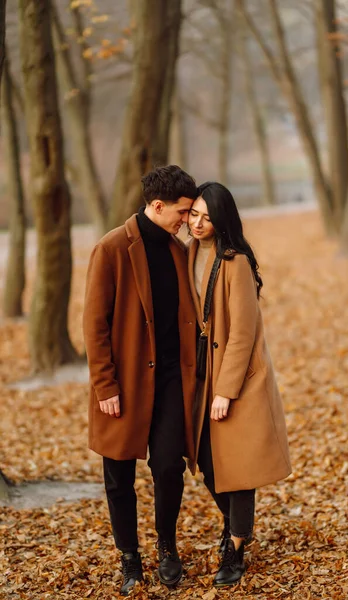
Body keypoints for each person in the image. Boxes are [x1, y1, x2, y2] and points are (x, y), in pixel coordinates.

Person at [83, 165, 198, 595]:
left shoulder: (178, 250)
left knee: (169, 466)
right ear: (157, 206)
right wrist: (105, 387)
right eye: (182, 212)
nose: (186, 220)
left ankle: (166, 547)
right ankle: (129, 558)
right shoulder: (111, 248)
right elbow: (94, 325)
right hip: (124, 381)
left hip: (171, 379)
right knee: (118, 475)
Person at [187, 182, 292, 587]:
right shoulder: (192, 252)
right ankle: (235, 527)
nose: (197, 223)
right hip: (202, 372)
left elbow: (243, 334)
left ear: (222, 219)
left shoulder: (236, 262)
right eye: (193, 214)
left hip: (236, 377)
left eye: (207, 217)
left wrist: (225, 391)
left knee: (238, 465)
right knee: (207, 459)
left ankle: (234, 547)